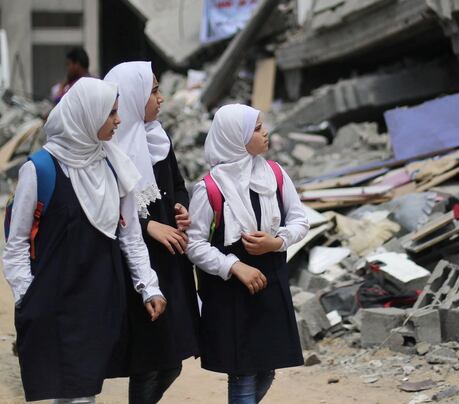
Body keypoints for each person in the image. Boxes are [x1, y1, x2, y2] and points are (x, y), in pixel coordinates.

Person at [2, 78, 166, 403]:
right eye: (111, 113)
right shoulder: (40, 169)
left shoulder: (115, 165)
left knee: (83, 389)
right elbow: (17, 242)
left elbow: (130, 235)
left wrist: (149, 285)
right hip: (54, 300)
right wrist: (27, 296)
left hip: (99, 297)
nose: (118, 120)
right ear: (87, 115)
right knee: (69, 389)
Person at [186, 104, 309, 404]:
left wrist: (276, 242)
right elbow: (194, 243)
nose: (265, 132)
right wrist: (233, 266)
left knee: (267, 368)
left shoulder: (275, 175)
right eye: (256, 128)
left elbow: (300, 220)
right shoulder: (210, 188)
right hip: (231, 293)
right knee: (242, 374)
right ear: (234, 137)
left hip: (270, 283)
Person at [104, 62, 200, 403]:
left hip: (171, 259)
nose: (161, 98)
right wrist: (149, 225)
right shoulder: (109, 148)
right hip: (137, 263)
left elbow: (177, 184)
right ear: (132, 96)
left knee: (172, 361)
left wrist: (182, 207)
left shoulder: (159, 138)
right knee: (150, 360)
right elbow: (108, 212)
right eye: (153, 90)